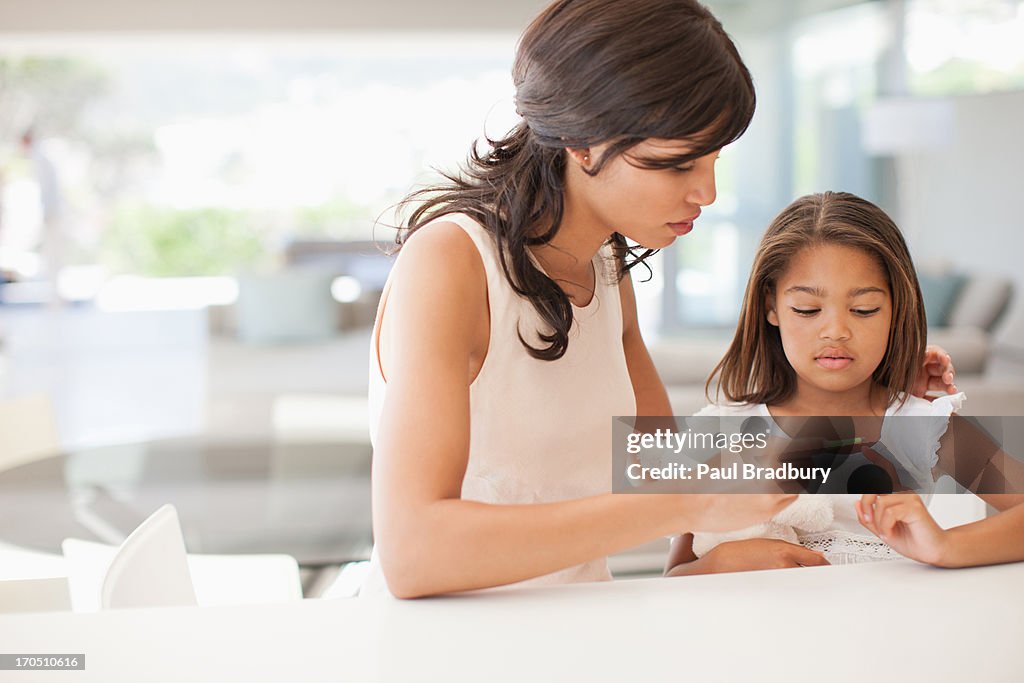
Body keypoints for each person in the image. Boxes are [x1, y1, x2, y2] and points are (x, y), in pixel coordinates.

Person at [362, 0, 954, 599]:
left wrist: (884, 403)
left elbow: (662, 469)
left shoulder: (605, 269)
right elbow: (415, 555)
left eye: (715, 157)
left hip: (579, 621)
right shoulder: (451, 262)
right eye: (678, 164)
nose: (708, 191)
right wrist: (687, 501)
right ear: (581, 141)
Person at [665, 192, 1022, 576]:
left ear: (896, 309)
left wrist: (946, 545)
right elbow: (673, 577)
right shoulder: (720, 430)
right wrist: (721, 562)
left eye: (863, 310)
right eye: (808, 309)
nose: (836, 331)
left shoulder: (928, 428)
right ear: (771, 306)